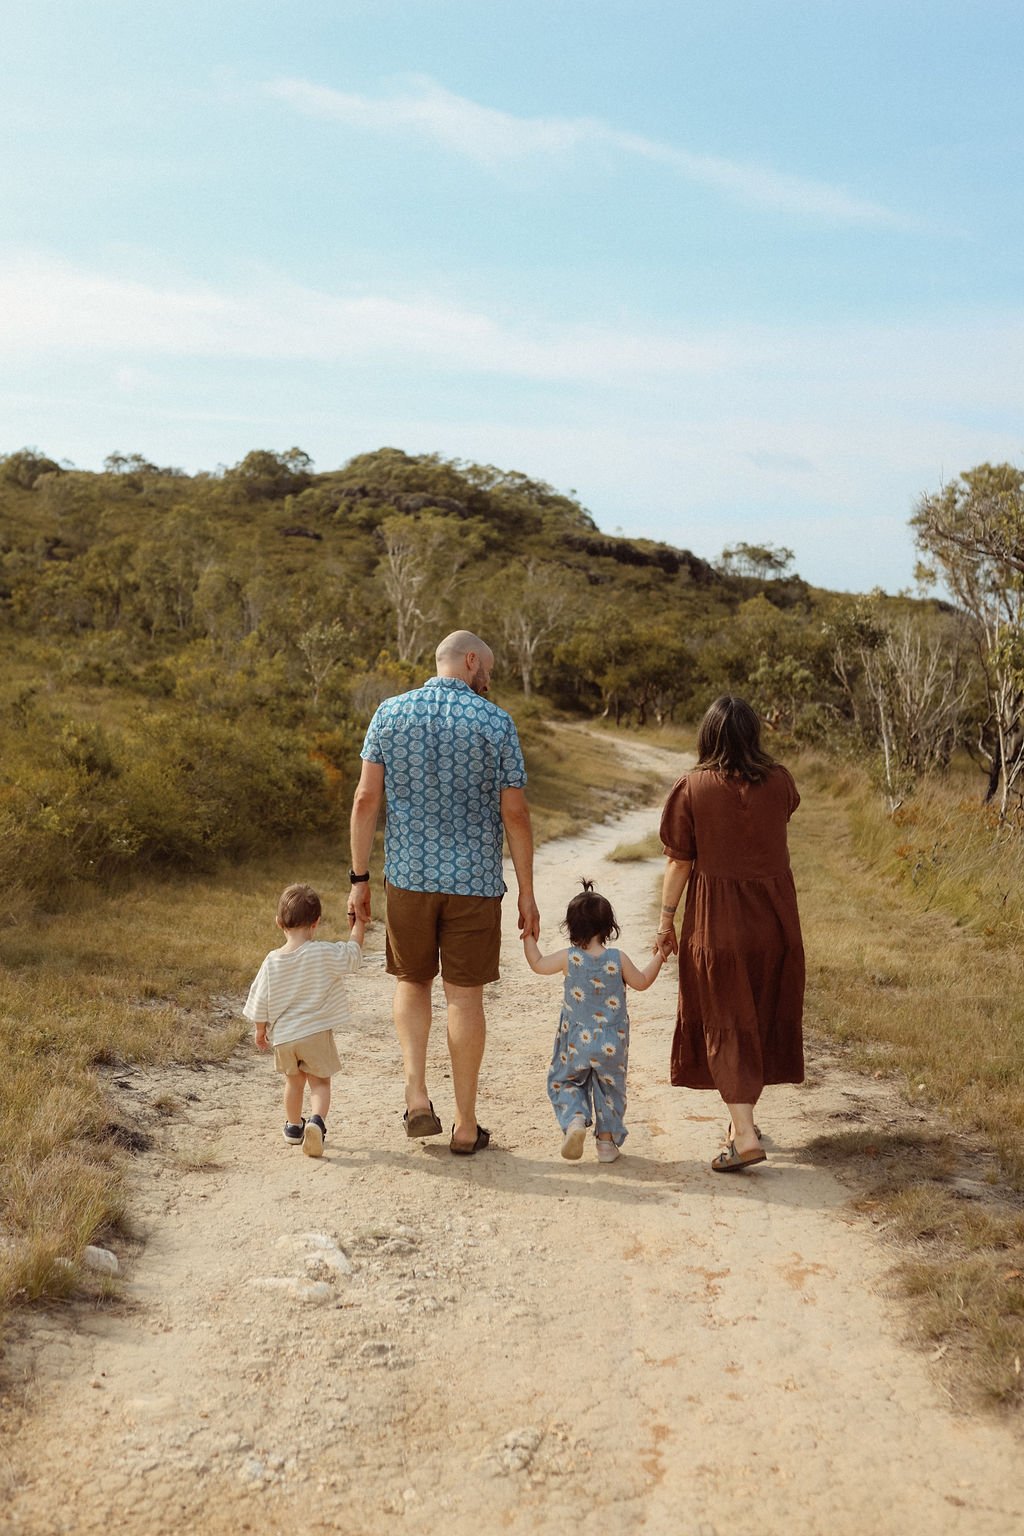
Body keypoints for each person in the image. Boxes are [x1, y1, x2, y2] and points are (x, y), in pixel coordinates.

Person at [348, 630, 539, 1155]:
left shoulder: (389, 713)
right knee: (465, 997)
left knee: (411, 983)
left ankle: (415, 1096)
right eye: (489, 669)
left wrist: (359, 877)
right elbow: (515, 814)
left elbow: (366, 799)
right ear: (470, 660)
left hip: (409, 876)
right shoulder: (495, 721)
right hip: (475, 882)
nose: (489, 679)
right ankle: (465, 1124)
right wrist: (526, 891)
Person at [656, 695, 805, 1173]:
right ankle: (743, 1124)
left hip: (718, 924)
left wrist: (665, 920)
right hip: (776, 923)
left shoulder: (693, 787)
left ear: (708, 736)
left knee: (726, 1019)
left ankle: (742, 1136)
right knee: (753, 1017)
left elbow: (680, 861)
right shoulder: (781, 782)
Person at [524, 879, 664, 1164]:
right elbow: (642, 982)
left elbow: (537, 964)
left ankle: (575, 1120)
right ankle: (606, 1144)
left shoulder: (568, 958)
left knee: (566, 1081)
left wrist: (528, 935)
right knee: (611, 1090)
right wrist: (660, 956)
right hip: (613, 1042)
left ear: (570, 927)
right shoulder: (618, 958)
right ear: (609, 927)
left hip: (577, 1041)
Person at [244, 883, 364, 1158]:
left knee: (293, 1082)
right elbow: (353, 955)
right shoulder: (322, 953)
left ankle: (294, 1127)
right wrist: (358, 925)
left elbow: (259, 999)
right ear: (316, 923)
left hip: (285, 1037)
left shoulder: (272, 961)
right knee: (320, 1083)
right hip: (315, 1034)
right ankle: (316, 1122)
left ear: (278, 923)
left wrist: (260, 1030)